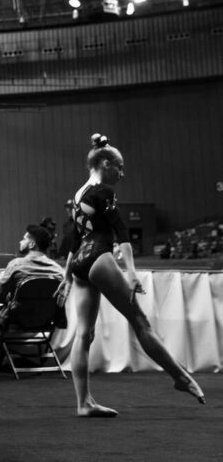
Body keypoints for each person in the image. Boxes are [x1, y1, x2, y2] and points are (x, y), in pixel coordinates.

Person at [56, 133, 204, 417]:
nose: (122, 173)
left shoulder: (78, 194)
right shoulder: (104, 192)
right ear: (104, 163)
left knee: (84, 334)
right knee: (140, 322)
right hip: (99, 256)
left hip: (80, 267)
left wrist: (66, 275)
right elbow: (122, 232)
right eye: (119, 167)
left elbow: (74, 238)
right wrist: (132, 272)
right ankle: (180, 378)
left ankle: (83, 403)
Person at [0, 221, 64, 372]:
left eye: (24, 238)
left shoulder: (17, 264)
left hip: (18, 317)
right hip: (46, 318)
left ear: (31, 244)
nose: (20, 241)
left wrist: (10, 299)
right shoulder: (58, 270)